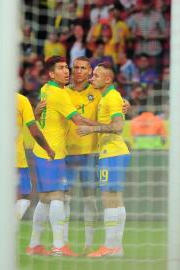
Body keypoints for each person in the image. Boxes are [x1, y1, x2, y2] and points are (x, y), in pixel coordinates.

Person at [26, 56, 99, 257]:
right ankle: (59, 246)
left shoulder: (46, 89)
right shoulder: (58, 94)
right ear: (51, 74)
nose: (66, 71)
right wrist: (106, 127)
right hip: (52, 152)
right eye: (61, 68)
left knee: (45, 199)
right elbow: (78, 120)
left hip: (44, 150)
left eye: (67, 67)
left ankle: (34, 244)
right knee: (58, 197)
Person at [0, 63, 55, 222]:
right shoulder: (21, 100)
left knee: (1, 201)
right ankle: (9, 225)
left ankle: (2, 229)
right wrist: (48, 148)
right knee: (24, 198)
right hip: (16, 158)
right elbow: (34, 131)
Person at [77, 62, 130, 258]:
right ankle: (117, 247)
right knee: (116, 199)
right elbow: (107, 123)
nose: (92, 78)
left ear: (108, 79)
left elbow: (118, 126)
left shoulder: (113, 97)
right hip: (113, 152)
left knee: (109, 198)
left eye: (96, 76)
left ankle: (110, 246)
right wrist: (87, 121)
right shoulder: (107, 96)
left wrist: (91, 129)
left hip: (113, 152)